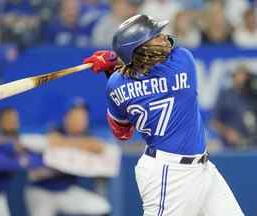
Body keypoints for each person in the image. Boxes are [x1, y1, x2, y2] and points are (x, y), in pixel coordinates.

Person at [83, 14, 244, 216]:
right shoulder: (182, 61)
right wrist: (116, 61)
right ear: (140, 50)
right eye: (155, 36)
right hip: (169, 174)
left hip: (201, 168)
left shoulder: (115, 84)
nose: (164, 38)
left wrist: (116, 66)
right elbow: (160, 59)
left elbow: (122, 132)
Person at [26, 98, 111, 216]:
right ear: (67, 117)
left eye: (83, 116)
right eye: (76, 115)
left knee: (101, 207)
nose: (81, 120)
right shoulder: (54, 129)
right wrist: (76, 144)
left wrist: (66, 143)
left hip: (66, 190)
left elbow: (99, 146)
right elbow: (45, 141)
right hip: (42, 190)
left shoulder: (86, 135)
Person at [212, 65, 257, 150]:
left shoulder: (252, 96)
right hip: (230, 147)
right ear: (234, 77)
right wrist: (228, 132)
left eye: (245, 76)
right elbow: (215, 122)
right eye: (240, 75)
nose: (243, 78)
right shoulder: (225, 95)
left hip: (252, 145)